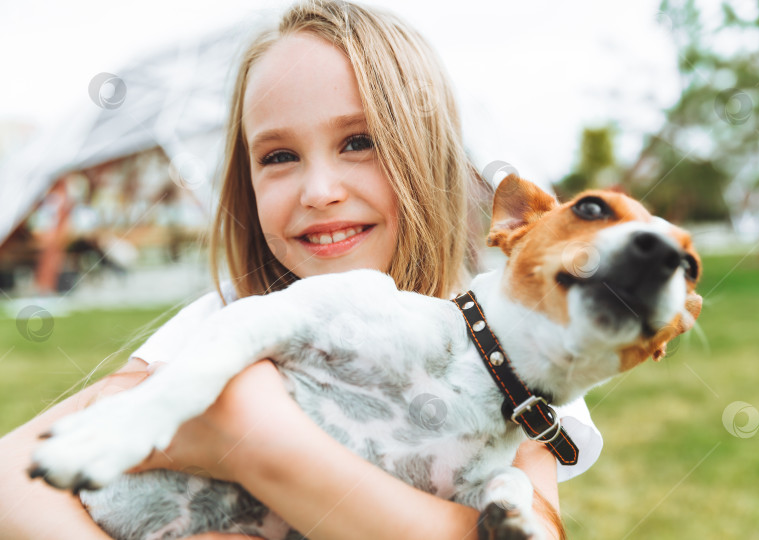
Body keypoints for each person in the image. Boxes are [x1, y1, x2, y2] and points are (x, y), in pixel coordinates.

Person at [0, 2, 602, 539]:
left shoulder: (510, 350)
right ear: (248, 179)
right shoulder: (230, 317)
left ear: (429, 154)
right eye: (279, 156)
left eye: (359, 142)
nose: (319, 190)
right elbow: (11, 475)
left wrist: (251, 444)